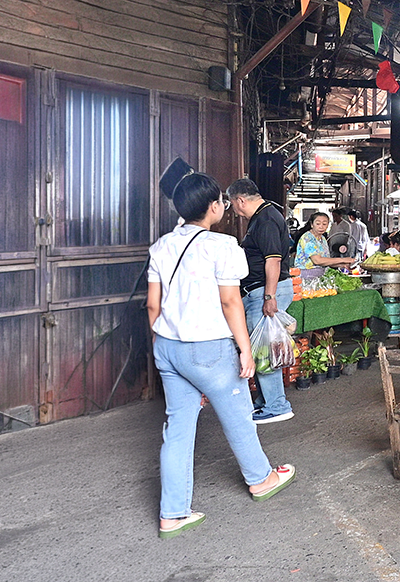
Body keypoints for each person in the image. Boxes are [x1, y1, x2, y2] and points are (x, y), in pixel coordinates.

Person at [146, 172, 295, 539]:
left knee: (177, 430)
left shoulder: (162, 246)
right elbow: (231, 303)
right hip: (208, 348)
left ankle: (172, 514)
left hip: (168, 348)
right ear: (214, 207)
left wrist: (164, 344)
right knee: (239, 416)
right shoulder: (223, 245)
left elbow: (152, 305)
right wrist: (245, 350)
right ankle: (261, 479)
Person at [224, 179, 295, 425]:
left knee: (264, 350)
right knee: (261, 347)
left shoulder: (265, 219)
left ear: (240, 200)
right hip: (260, 291)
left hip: (265, 291)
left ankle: (277, 405)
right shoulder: (264, 216)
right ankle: (267, 402)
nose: (234, 210)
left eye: (233, 204)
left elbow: (273, 260)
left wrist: (269, 296)